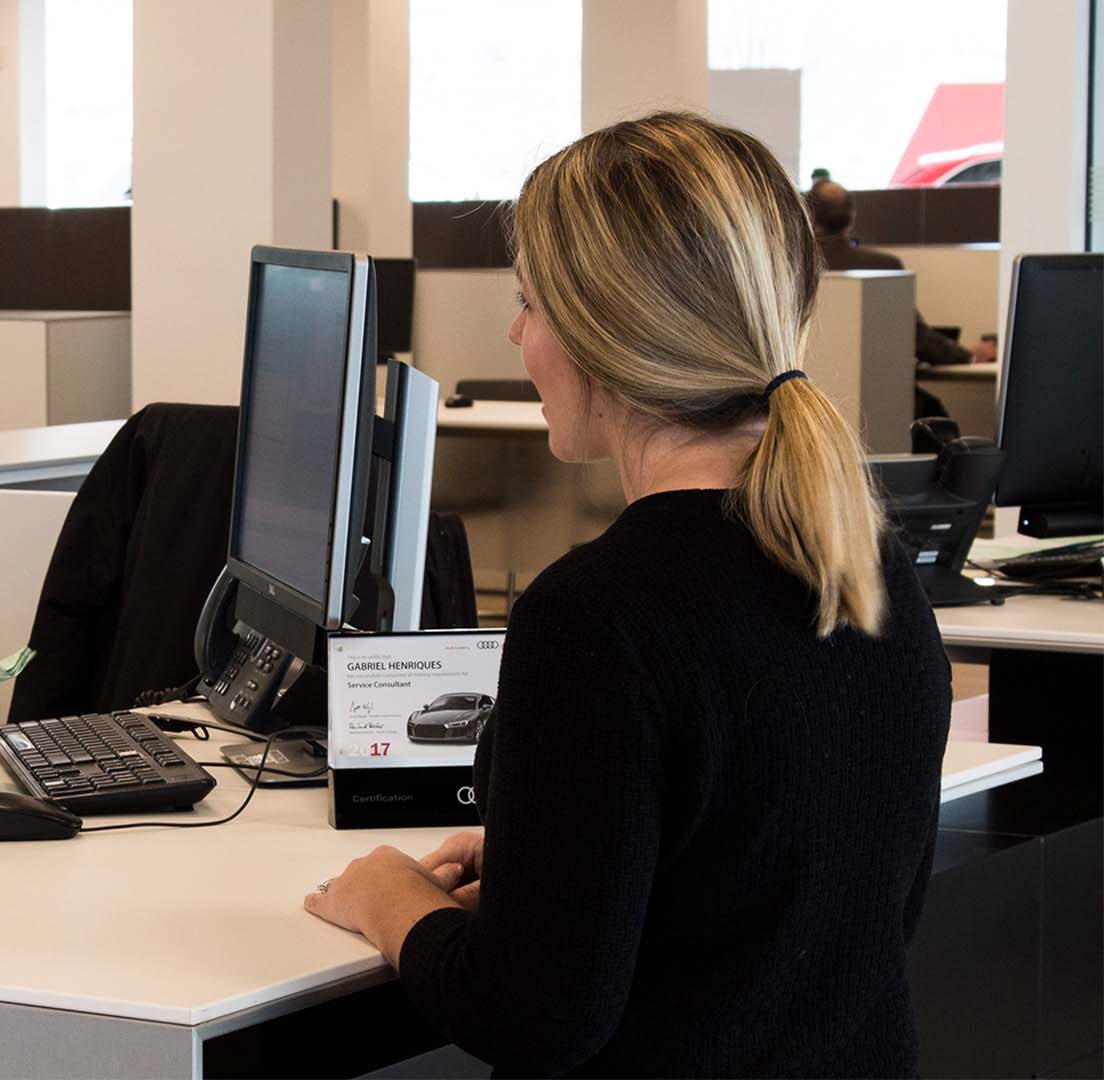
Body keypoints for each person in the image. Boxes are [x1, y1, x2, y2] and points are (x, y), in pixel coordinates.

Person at [304, 113, 952, 1076]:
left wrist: (395, 902)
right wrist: (568, 862)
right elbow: (809, 896)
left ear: (603, 334)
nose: (518, 334)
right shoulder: (865, 561)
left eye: (530, 305)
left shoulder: (594, 617)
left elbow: (535, 1019)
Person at [806, 178, 998, 366]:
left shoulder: (796, 267)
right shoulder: (881, 266)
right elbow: (918, 339)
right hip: (880, 389)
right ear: (850, 217)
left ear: (809, 215)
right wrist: (968, 354)